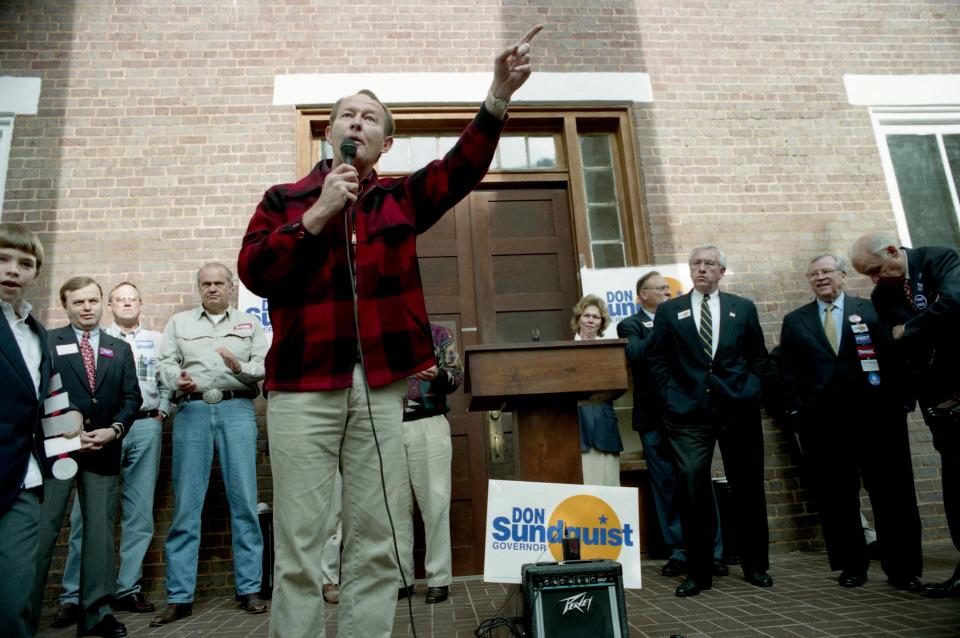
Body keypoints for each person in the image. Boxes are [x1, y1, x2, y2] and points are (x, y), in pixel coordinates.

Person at [237, 24, 543, 638]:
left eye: (370, 118)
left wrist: (498, 97)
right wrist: (318, 216)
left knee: (375, 539)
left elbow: (462, 168)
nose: (357, 123)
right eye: (346, 115)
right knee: (300, 542)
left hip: (378, 388)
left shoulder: (401, 199)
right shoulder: (284, 199)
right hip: (302, 387)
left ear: (385, 141)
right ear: (328, 133)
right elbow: (255, 272)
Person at [779, 253, 923, 590]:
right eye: (813, 274)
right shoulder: (795, 320)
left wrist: (903, 401)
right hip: (823, 424)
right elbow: (786, 371)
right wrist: (797, 410)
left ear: (843, 275)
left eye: (827, 271)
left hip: (878, 418)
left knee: (891, 493)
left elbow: (898, 356)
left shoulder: (872, 310)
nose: (820, 278)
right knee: (836, 496)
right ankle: (852, 565)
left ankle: (902, 568)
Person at [648, 245, 771, 597]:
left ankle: (756, 566)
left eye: (709, 264)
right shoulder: (670, 311)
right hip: (687, 415)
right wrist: (668, 398)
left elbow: (758, 358)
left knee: (747, 488)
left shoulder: (742, 308)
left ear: (722, 272)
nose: (702, 269)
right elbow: (658, 360)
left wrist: (751, 390)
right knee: (691, 488)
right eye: (696, 264)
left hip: (737, 409)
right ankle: (699, 573)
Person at [152, 263, 268, 626]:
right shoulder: (180, 323)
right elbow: (165, 362)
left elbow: (263, 364)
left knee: (245, 502)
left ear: (232, 288)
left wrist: (240, 368)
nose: (213, 288)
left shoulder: (249, 324)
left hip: (237, 411)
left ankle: (249, 589)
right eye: (206, 283)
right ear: (198, 288)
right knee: (187, 504)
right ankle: (179, 596)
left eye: (219, 283)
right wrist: (177, 379)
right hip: (193, 412)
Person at [53, 282, 173, 627]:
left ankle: (127, 588)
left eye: (132, 299)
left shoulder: (155, 339)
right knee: (86, 514)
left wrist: (162, 412)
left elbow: (163, 383)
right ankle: (74, 595)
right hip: (97, 434)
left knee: (139, 511)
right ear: (111, 304)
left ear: (141, 303)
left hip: (145, 425)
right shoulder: (93, 339)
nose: (126, 304)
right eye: (119, 299)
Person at [851, 233, 960, 597]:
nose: (874, 280)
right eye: (868, 274)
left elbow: (955, 302)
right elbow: (888, 335)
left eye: (876, 270)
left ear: (895, 251)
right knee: (955, 484)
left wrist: (911, 328)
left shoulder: (939, 260)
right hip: (938, 401)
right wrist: (922, 328)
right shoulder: (883, 295)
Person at [33, 276, 142, 638]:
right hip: (58, 451)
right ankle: (22, 613)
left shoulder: (118, 348)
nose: (87, 307)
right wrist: (66, 426)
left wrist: (115, 430)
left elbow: (132, 399)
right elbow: (34, 395)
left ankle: (98, 613)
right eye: (78, 302)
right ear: (65, 306)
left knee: (98, 532)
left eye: (93, 300)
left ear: (102, 303)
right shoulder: (47, 342)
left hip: (102, 449)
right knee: (43, 531)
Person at [617, 271, 726, 579]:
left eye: (669, 288)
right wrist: (664, 327)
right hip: (653, 418)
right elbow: (635, 354)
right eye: (660, 289)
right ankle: (679, 552)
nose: (667, 292)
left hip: (688, 415)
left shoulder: (686, 319)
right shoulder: (632, 324)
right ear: (643, 296)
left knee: (699, 483)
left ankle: (713, 552)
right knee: (666, 485)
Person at [0, 224, 63, 637]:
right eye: (3, 259)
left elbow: (44, 406)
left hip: (23, 478)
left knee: (15, 596)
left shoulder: (38, 334)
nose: (13, 270)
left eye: (25, 263)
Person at [398, 322, 463, 604]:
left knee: (435, 503)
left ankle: (438, 578)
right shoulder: (377, 332)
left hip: (428, 422)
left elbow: (456, 376)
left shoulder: (438, 334)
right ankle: (401, 578)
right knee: (394, 505)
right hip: (386, 425)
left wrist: (437, 375)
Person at [572, 294, 623, 486]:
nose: (591, 320)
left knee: (608, 485)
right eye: (586, 315)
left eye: (596, 317)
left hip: (604, 427)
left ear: (601, 323)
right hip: (576, 428)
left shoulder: (611, 351)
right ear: (578, 319)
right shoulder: (564, 351)